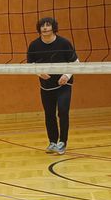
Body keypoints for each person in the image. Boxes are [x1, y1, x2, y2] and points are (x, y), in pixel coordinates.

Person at [26, 17, 76, 155]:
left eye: (48, 25)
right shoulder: (34, 45)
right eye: (42, 25)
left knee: (63, 111)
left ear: (53, 27)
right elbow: (31, 65)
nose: (45, 28)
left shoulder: (64, 43)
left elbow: (75, 62)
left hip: (64, 84)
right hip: (46, 86)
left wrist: (66, 75)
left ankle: (62, 142)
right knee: (49, 114)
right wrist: (39, 72)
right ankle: (52, 142)